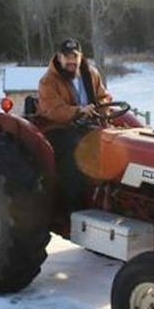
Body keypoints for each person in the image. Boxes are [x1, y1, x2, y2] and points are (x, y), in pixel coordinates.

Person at [37, 37, 113, 210]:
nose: (71, 60)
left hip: (88, 125)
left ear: (81, 57)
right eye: (67, 56)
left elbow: (103, 97)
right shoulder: (48, 81)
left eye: (74, 56)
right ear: (59, 57)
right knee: (76, 151)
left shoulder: (91, 74)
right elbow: (53, 110)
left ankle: (110, 195)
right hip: (57, 128)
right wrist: (78, 111)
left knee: (114, 142)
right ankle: (74, 208)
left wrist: (103, 110)